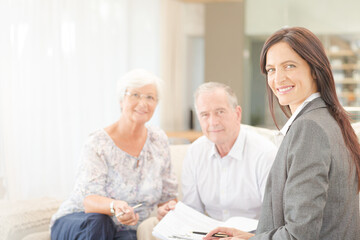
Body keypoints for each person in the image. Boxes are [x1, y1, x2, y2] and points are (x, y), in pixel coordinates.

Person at [205, 27, 360, 240]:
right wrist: (250, 237)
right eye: (271, 70)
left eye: (289, 66)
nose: (278, 78)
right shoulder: (329, 119)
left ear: (315, 69)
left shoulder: (309, 128)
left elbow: (299, 235)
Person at [137, 82, 277, 240]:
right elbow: (193, 210)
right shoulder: (195, 152)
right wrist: (175, 214)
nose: (213, 122)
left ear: (237, 114)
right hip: (209, 234)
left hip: (252, 236)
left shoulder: (265, 154)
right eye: (205, 115)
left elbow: (274, 221)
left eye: (220, 112)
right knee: (150, 226)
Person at [50, 69, 178, 240]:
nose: (143, 103)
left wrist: (166, 209)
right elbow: (89, 200)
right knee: (99, 222)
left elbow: (168, 197)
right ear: (121, 100)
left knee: (129, 236)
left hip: (127, 229)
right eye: (135, 95)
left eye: (150, 97)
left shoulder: (159, 140)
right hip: (81, 221)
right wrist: (115, 206)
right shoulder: (98, 142)